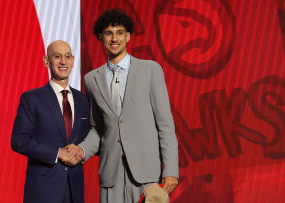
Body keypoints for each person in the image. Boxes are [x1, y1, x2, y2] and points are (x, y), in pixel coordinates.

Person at [68, 9, 179, 203]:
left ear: (128, 36)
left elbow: (165, 125)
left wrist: (170, 170)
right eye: (109, 33)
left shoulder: (151, 70)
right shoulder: (91, 79)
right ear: (100, 37)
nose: (114, 38)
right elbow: (98, 129)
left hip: (147, 176)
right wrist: (81, 151)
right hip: (111, 177)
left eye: (119, 32)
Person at [11, 40, 89, 203]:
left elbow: (91, 137)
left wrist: (81, 150)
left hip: (74, 188)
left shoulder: (83, 100)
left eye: (67, 57)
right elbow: (19, 140)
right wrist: (57, 153)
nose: (63, 62)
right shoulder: (32, 98)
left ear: (73, 61)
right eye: (57, 56)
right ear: (46, 61)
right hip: (43, 189)